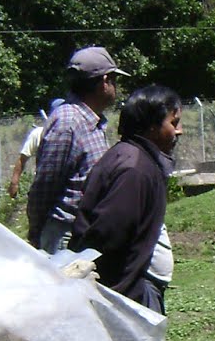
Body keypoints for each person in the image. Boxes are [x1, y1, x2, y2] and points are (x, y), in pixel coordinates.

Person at [70, 83, 182, 312]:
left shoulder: (135, 159)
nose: (179, 131)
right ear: (151, 126)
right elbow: (108, 236)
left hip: (130, 289)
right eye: (173, 123)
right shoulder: (134, 170)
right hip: (128, 294)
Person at [28, 47, 128, 253]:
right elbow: (45, 186)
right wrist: (37, 231)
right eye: (114, 81)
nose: (116, 87)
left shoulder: (91, 120)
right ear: (104, 81)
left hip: (84, 232)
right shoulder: (68, 122)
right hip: (65, 237)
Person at [7, 99, 62, 200]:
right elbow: (22, 159)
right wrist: (14, 183)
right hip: (43, 187)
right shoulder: (38, 134)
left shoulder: (75, 133)